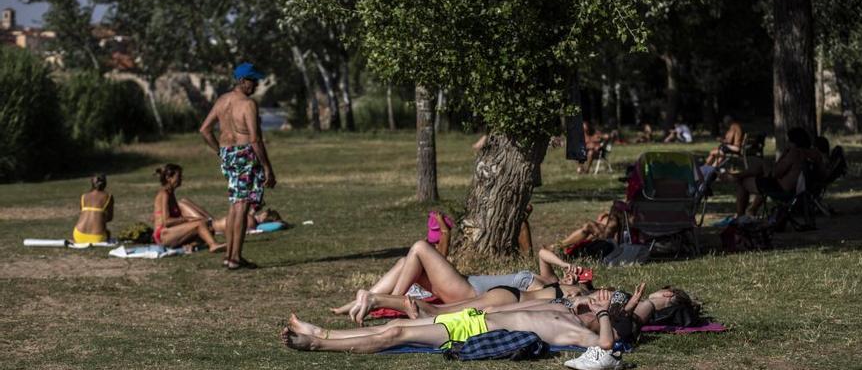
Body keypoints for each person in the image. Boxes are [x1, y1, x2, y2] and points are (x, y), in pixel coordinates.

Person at [281, 289, 617, 354]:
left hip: (475, 332)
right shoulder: (569, 310)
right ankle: (322, 331)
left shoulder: (579, 333)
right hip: (474, 318)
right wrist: (591, 300)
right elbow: (574, 296)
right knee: (388, 327)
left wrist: (603, 315)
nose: (592, 306)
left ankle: (317, 343)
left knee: (395, 332)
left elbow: (607, 342)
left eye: (598, 309)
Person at [331, 239, 586, 321]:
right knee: (405, 264)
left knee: (420, 247)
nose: (570, 279)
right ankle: (354, 304)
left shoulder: (547, 289)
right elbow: (542, 253)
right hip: (464, 283)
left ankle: (390, 301)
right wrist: (566, 265)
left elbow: (570, 293)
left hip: (467, 291)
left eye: (574, 283)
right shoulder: (548, 278)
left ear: (573, 290)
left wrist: (570, 285)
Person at [199, 62, 276, 270]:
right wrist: (267, 168)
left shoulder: (222, 100)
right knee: (242, 207)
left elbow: (205, 130)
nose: (257, 84)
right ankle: (235, 257)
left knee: (235, 206)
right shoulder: (248, 104)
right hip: (245, 155)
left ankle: (230, 256)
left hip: (228, 155)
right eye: (253, 80)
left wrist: (220, 152)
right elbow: (255, 140)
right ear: (242, 81)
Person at [732, 127, 825, 218]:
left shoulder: (795, 153)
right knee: (761, 168)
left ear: (793, 142)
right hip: (804, 191)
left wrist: (784, 153)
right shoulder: (816, 154)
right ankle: (739, 179)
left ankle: (740, 215)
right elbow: (822, 174)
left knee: (743, 182)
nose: (788, 143)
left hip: (783, 190)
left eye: (789, 141)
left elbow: (775, 173)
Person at [152, 164, 225, 252]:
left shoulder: (171, 193)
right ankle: (213, 245)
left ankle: (192, 245)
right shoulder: (164, 194)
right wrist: (189, 219)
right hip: (163, 235)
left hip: (170, 232)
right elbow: (166, 221)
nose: (181, 179)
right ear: (169, 178)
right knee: (200, 223)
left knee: (209, 229)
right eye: (178, 176)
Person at [72, 174, 114, 244]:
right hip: (98, 238)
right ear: (105, 183)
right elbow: (110, 218)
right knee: (108, 232)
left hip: (78, 235)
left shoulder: (84, 196)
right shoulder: (108, 196)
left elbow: (82, 214)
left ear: (92, 183)